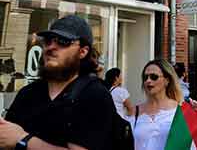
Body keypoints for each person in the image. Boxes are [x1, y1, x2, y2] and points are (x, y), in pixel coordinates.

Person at [0, 15, 116, 149]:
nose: (51, 47)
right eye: (48, 41)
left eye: (63, 41)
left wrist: (23, 140)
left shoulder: (94, 95)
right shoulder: (28, 93)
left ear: (83, 52)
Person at [127, 59, 184, 150]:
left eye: (154, 77)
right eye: (145, 77)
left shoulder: (179, 111)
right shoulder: (135, 111)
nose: (148, 81)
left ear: (167, 80)